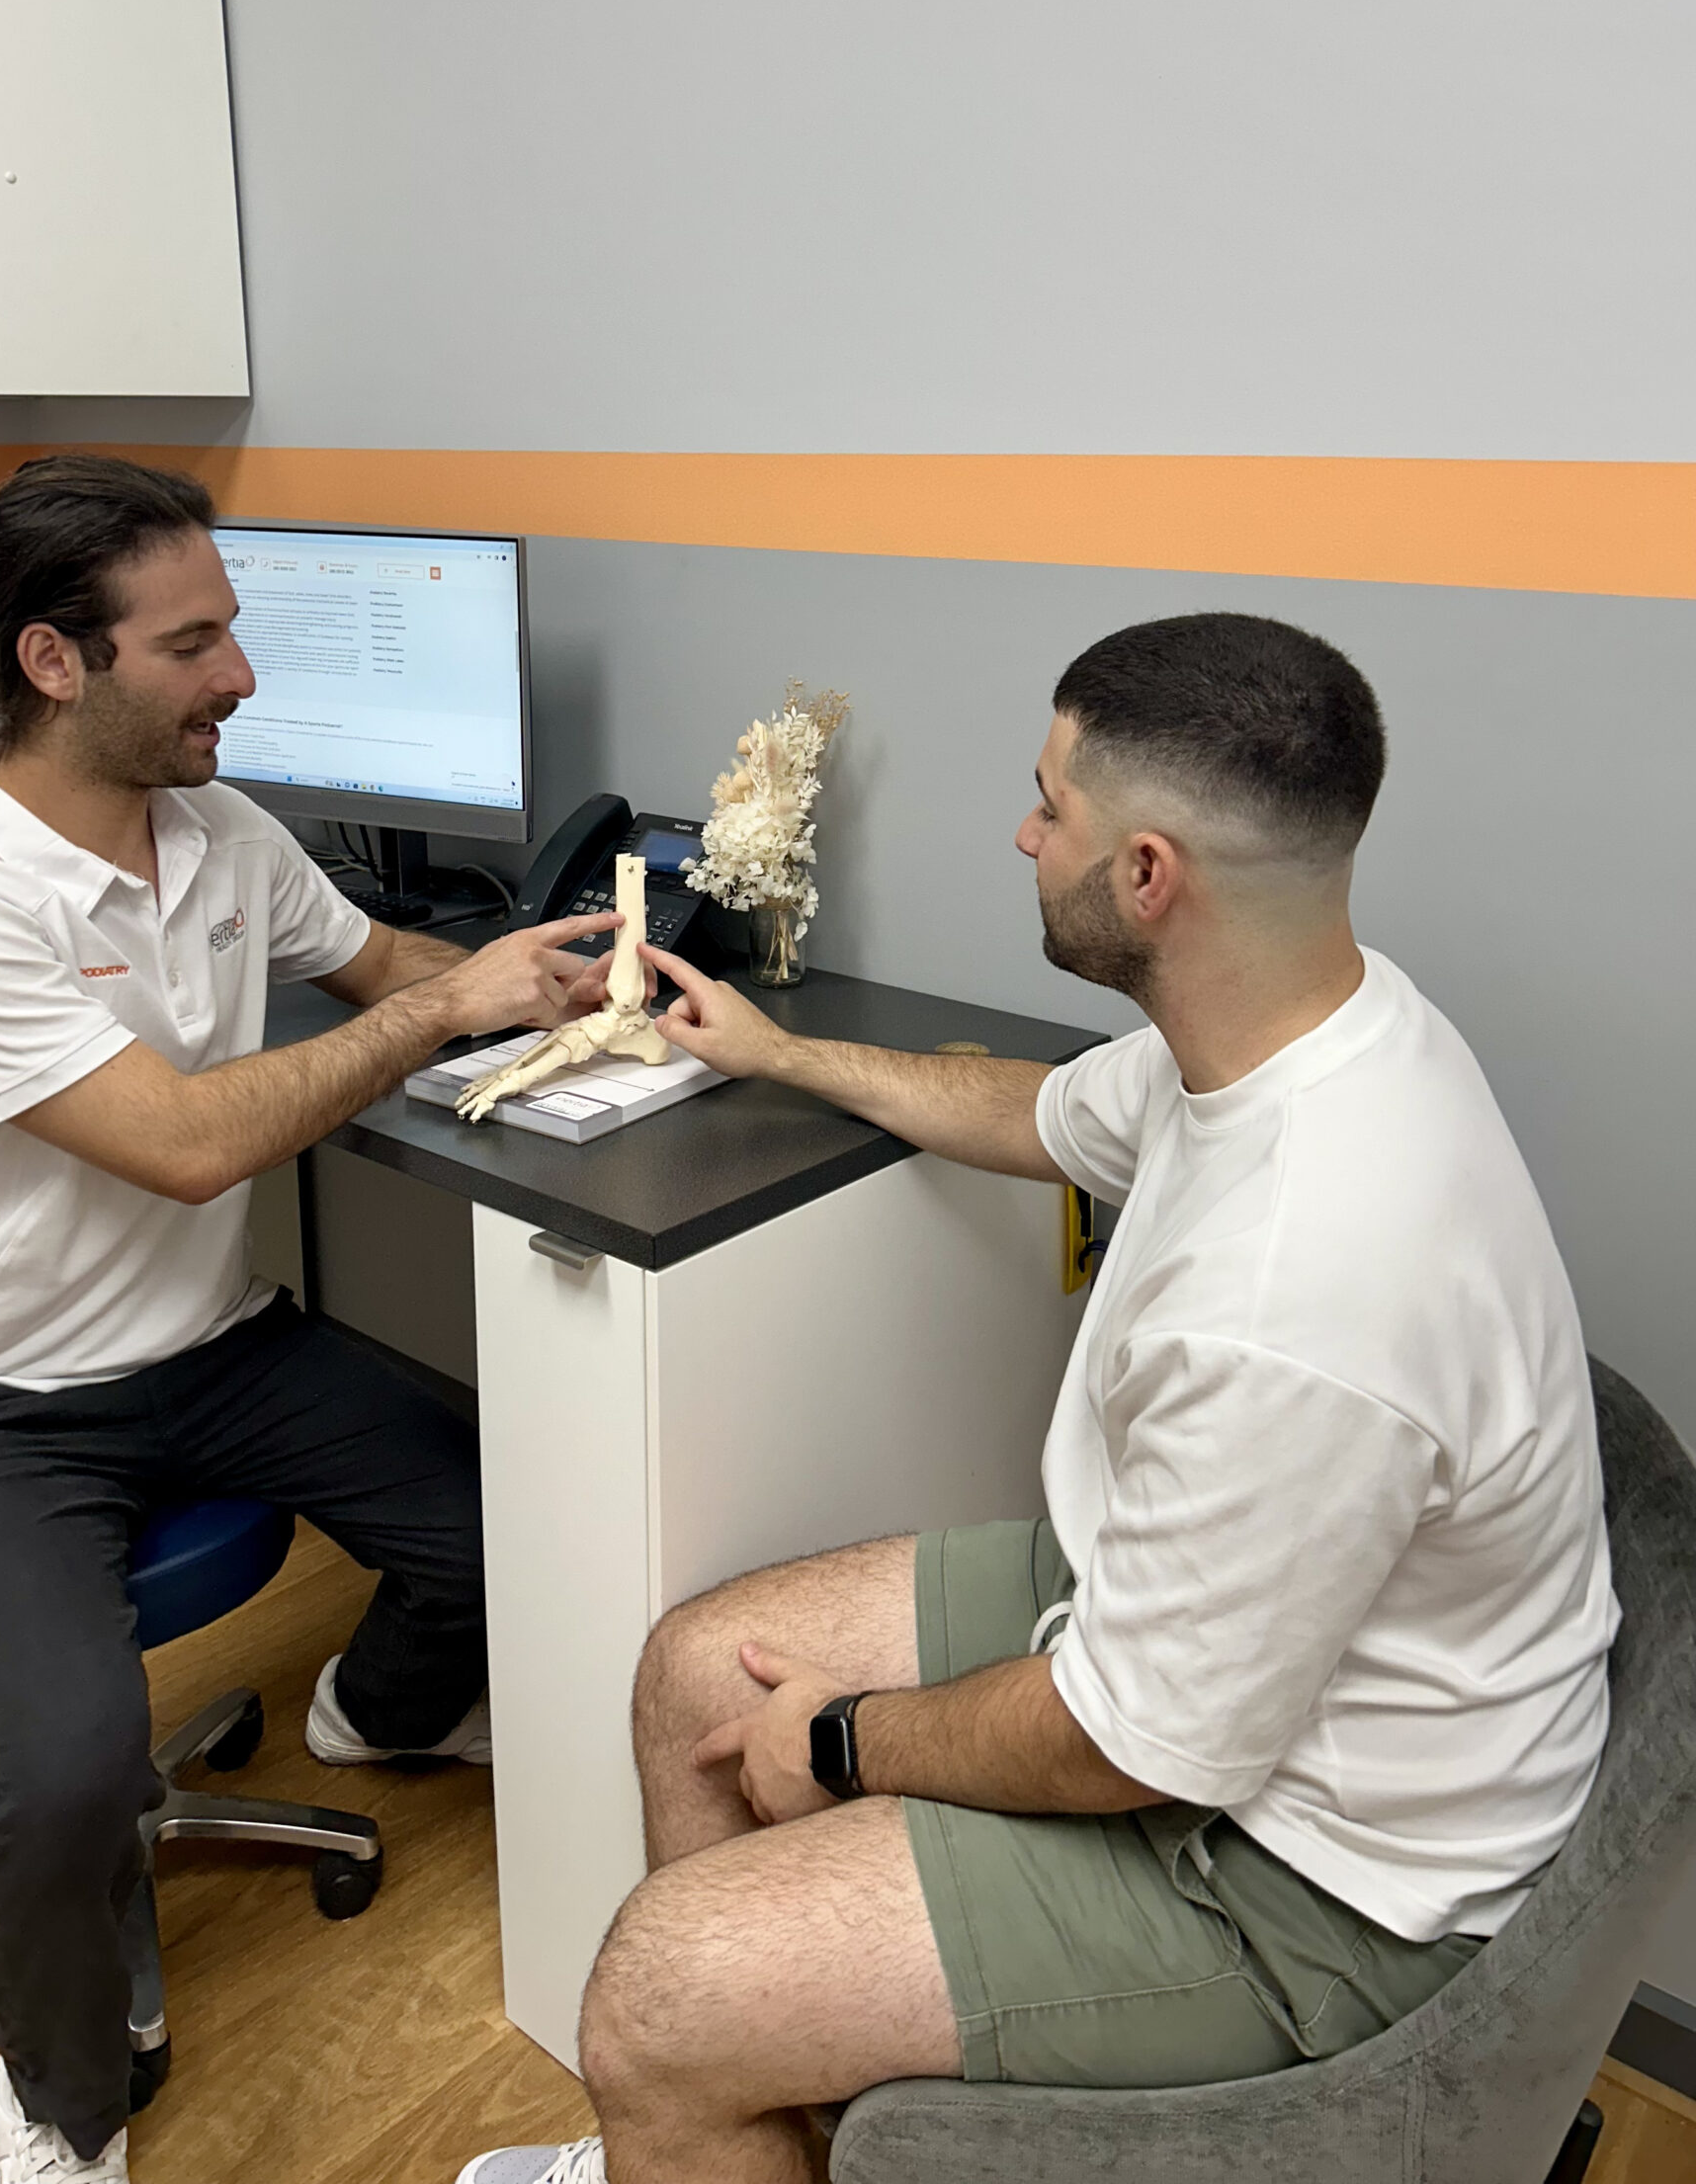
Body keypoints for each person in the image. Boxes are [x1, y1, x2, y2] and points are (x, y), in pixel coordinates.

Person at [459, 612, 1619, 2184]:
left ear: (1146, 875)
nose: (1021, 831)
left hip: (1311, 1883)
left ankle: (700, 2080)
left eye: (1046, 803)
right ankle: (749, 2124)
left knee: (657, 1995)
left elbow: (1130, 1746)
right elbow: (1040, 1112)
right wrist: (784, 1056)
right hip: (1182, 1650)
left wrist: (851, 1742)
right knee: (693, 1681)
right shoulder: (1291, 1026)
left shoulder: (1309, 1287)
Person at [0, 455, 619, 2184]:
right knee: (61, 1773)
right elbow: (186, 1148)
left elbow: (387, 973)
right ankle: (60, 2106)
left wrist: (567, 983)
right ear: (55, 662)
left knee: (527, 1528)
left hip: (220, 1348)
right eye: (196, 646)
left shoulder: (221, 833)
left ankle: (380, 1712)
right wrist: (436, 1022)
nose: (243, 680)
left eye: (235, 635)